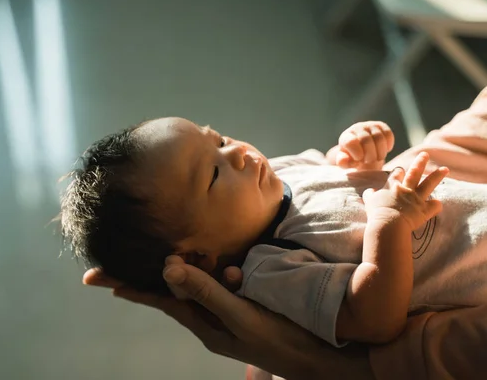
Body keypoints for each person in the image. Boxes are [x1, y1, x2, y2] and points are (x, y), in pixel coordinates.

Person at [84, 87, 487, 379]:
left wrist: (354, 155)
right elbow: (373, 320)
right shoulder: (271, 271)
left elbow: (332, 176)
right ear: (194, 258)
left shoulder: (280, 173)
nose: (237, 153)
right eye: (212, 174)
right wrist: (390, 223)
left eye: (219, 140)